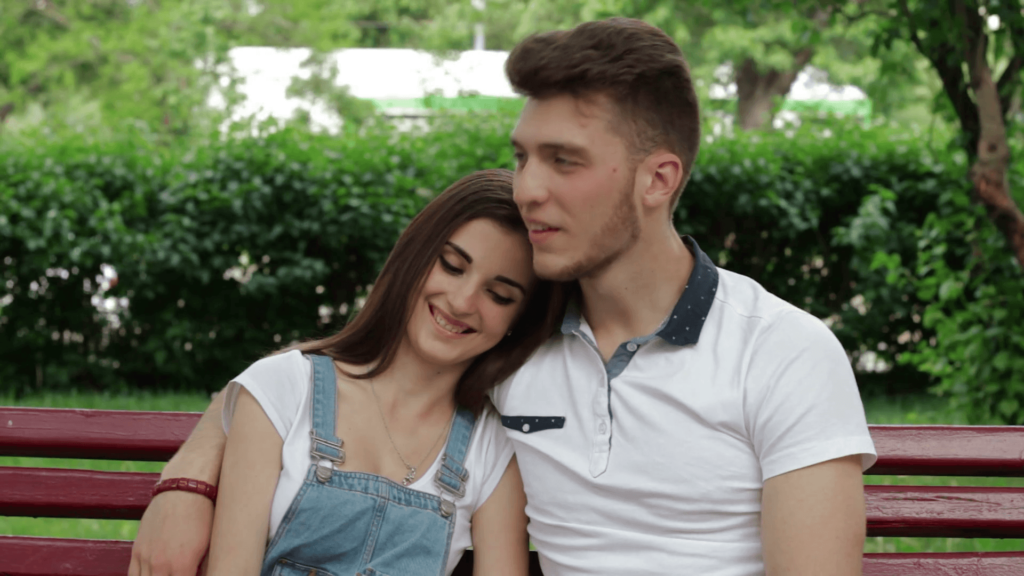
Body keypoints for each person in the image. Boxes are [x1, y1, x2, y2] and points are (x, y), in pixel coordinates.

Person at [132, 18, 877, 576]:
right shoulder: (515, 341)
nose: (529, 188)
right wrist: (189, 477)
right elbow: (329, 380)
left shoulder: (782, 352)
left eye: (564, 160)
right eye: (522, 156)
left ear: (659, 180)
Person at [130, 169, 565, 576]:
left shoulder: (491, 446)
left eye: (500, 294)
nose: (463, 301)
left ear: (518, 322)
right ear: (414, 256)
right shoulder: (286, 388)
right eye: (452, 265)